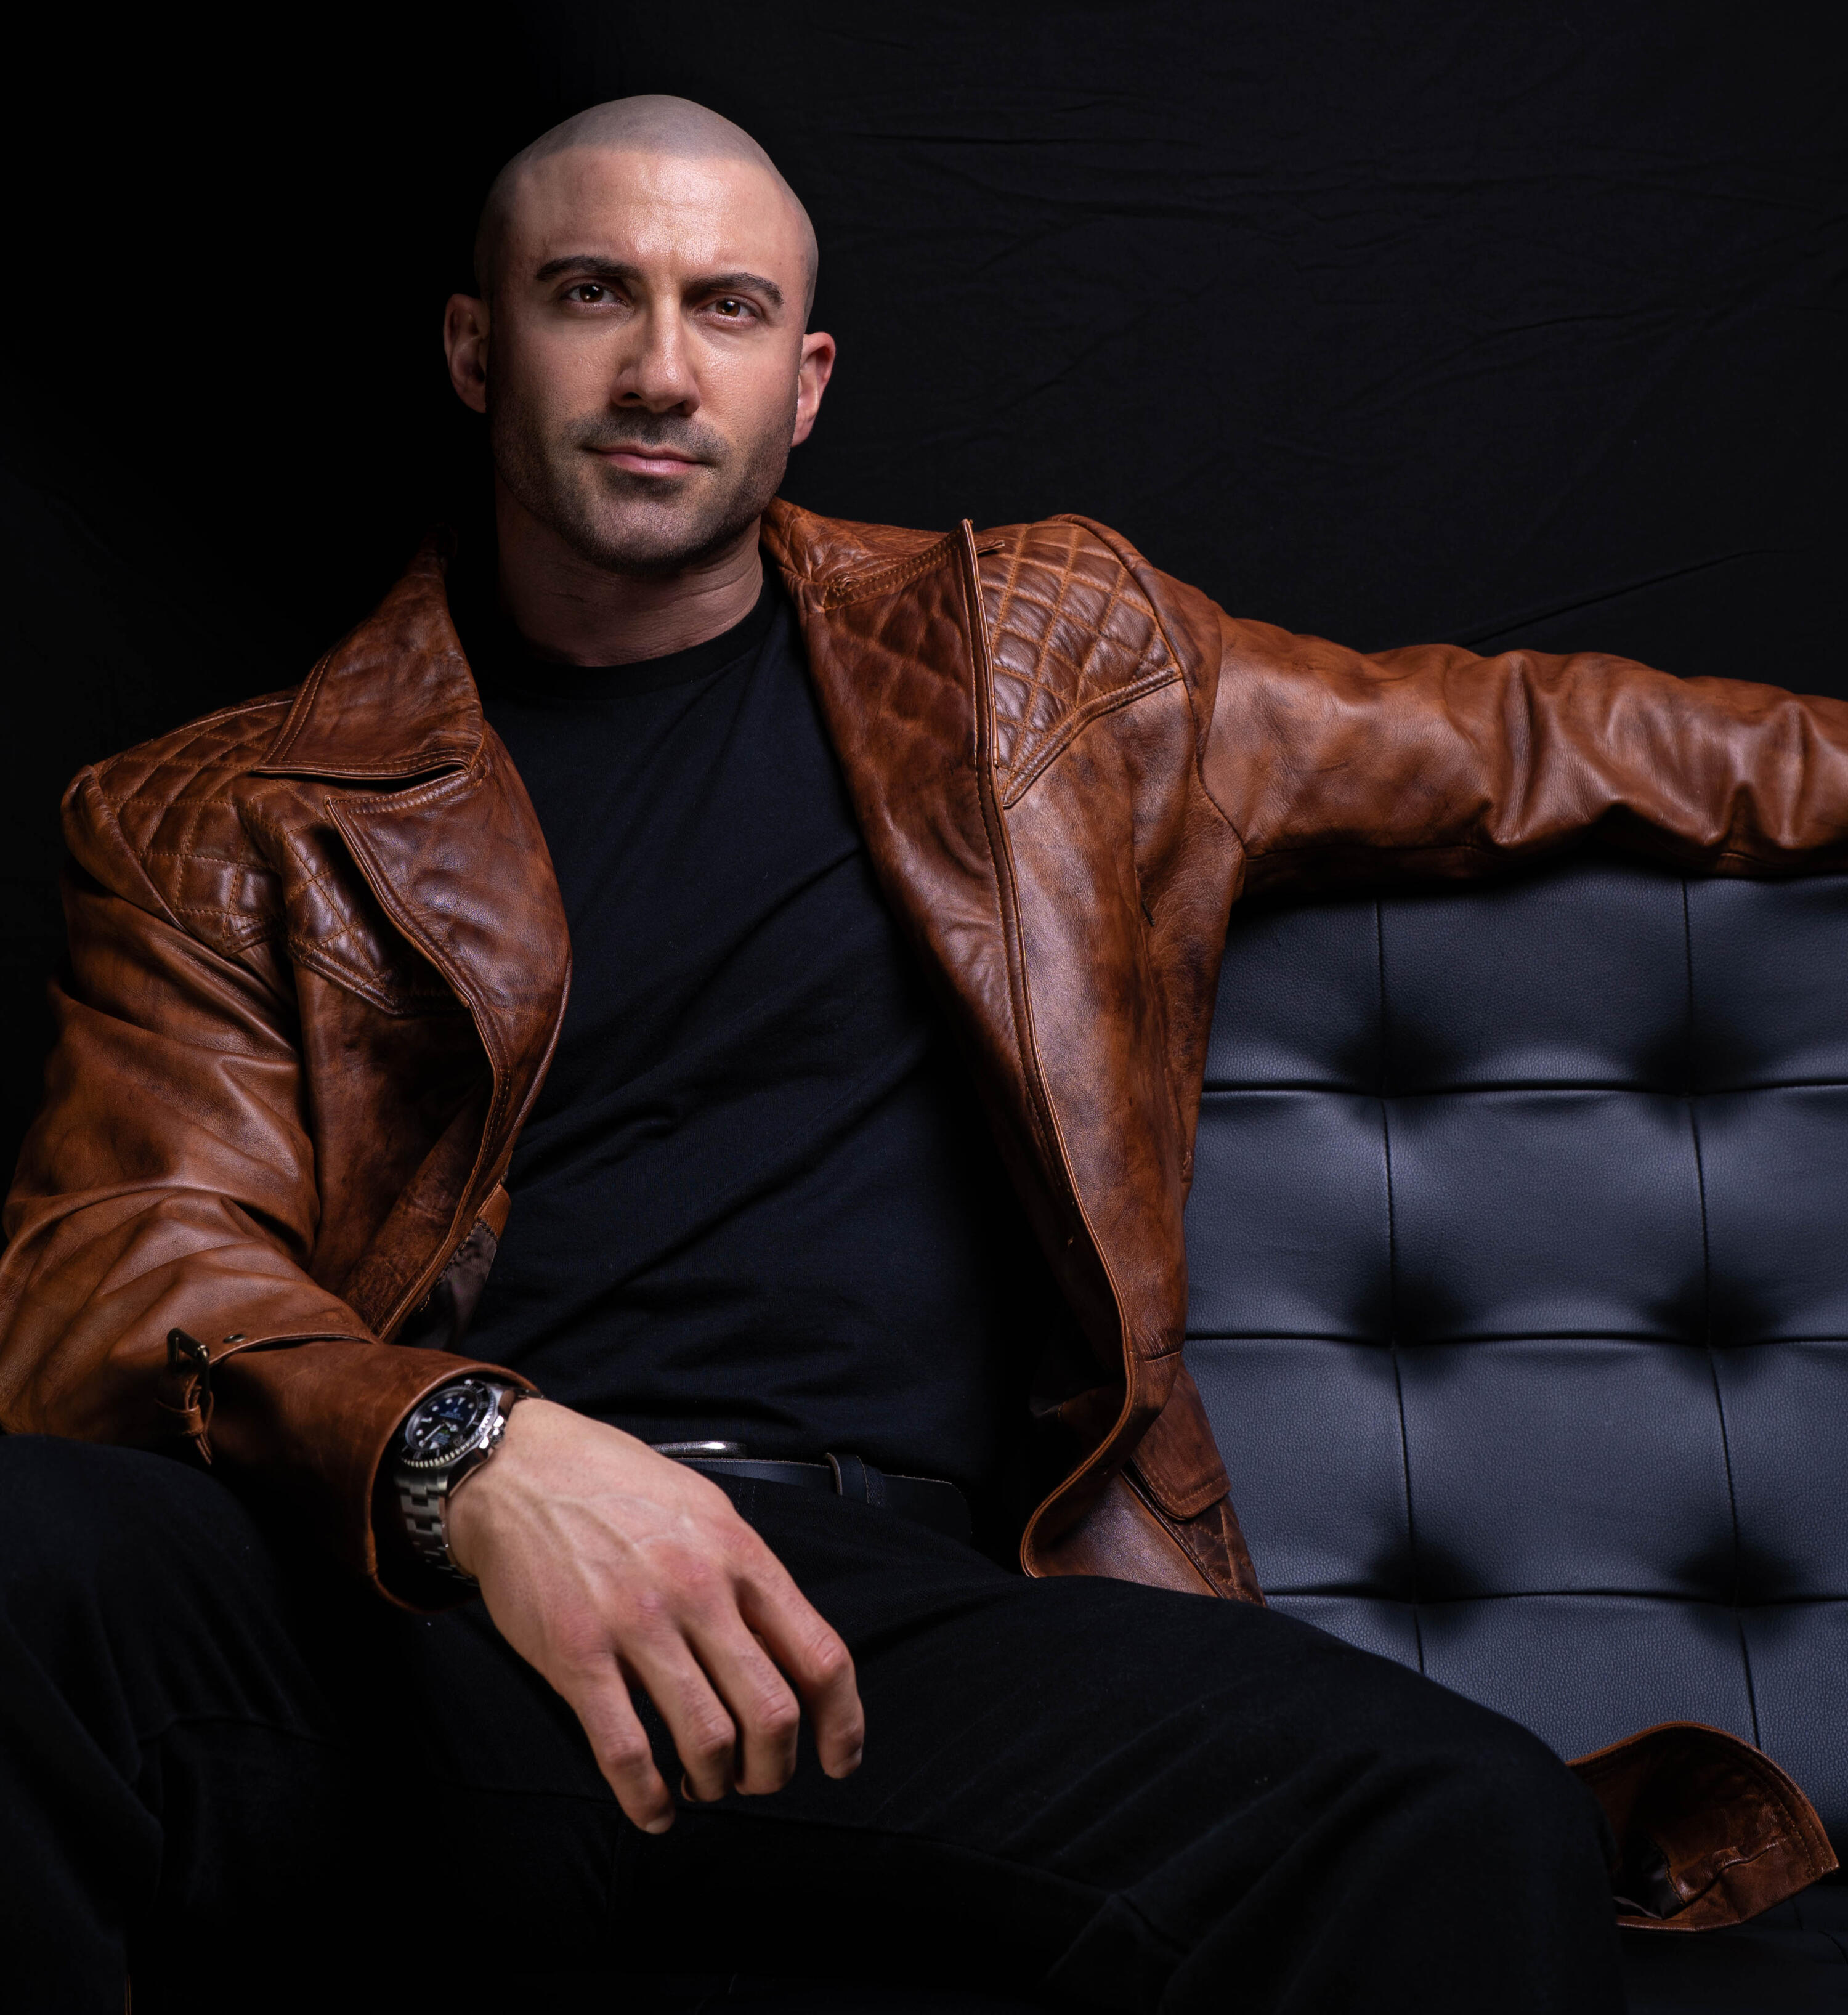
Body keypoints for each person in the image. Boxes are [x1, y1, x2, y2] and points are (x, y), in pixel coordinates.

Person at [1, 94, 1842, 2014]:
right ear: (478, 349)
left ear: (802, 383)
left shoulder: (1048, 666)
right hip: (410, 1615)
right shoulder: (223, 813)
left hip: (883, 1636)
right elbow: (115, 1267)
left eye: (722, 310)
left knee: (1449, 1815)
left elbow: (1536, 742)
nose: (654, 368)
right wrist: (475, 1457)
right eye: (587, 295)